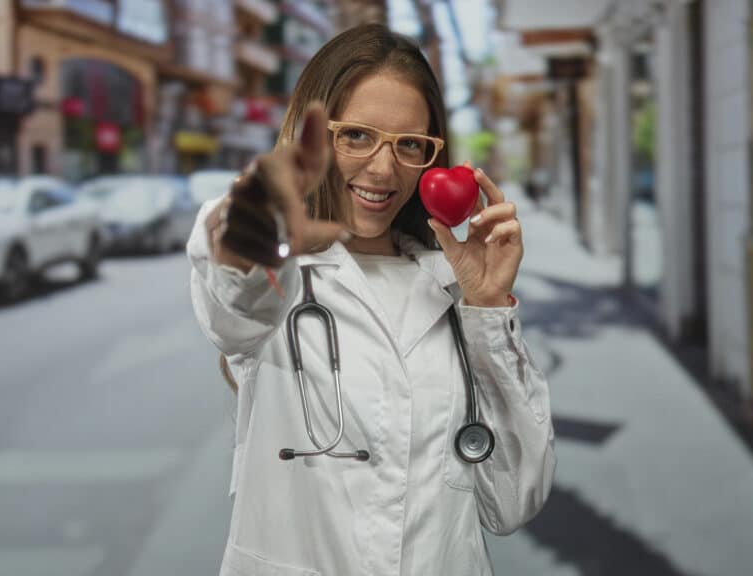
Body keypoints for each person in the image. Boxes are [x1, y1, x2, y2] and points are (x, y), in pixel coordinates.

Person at [187, 24, 555, 576]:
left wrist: (488, 308)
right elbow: (233, 314)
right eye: (356, 135)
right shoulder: (271, 265)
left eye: (410, 144)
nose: (384, 169)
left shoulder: (453, 285)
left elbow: (513, 501)